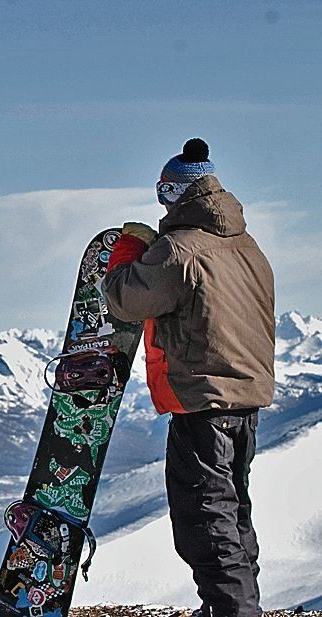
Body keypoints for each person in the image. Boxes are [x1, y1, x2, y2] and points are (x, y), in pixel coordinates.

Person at [101, 138, 275, 617]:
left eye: (163, 194)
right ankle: (238, 607)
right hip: (245, 398)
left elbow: (126, 299)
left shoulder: (180, 250)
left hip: (203, 398)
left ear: (178, 192)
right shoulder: (246, 246)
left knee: (205, 517)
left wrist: (129, 252)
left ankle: (230, 611)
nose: (161, 204)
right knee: (232, 509)